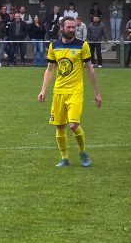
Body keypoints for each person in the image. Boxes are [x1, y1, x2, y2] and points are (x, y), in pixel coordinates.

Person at [38, 17, 102, 168]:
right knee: (60, 127)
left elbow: (90, 70)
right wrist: (43, 89)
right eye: (69, 27)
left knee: (73, 125)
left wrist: (97, 93)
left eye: (74, 27)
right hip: (59, 91)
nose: (72, 30)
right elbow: (50, 69)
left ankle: (83, 152)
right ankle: (64, 157)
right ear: (61, 27)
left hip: (75, 91)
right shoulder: (54, 45)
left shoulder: (82, 45)